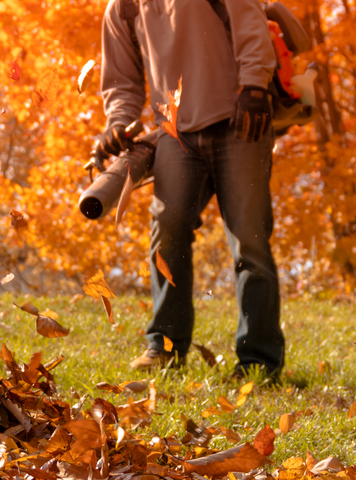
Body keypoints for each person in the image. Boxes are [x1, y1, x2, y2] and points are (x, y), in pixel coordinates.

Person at [97, 0, 286, 378]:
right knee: (167, 233)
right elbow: (122, 82)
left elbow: (250, 23)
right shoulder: (124, 9)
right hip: (174, 133)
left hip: (239, 120)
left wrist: (254, 85)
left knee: (250, 242)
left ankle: (258, 361)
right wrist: (119, 122)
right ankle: (165, 347)